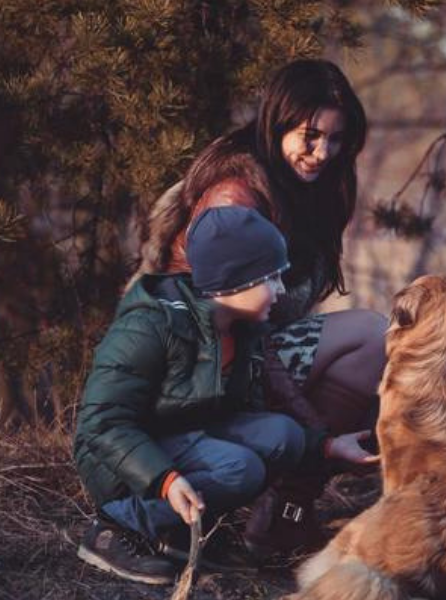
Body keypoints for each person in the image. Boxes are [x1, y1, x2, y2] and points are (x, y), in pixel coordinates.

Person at [131, 59, 386, 555]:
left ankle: (285, 513)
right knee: (371, 337)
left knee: (377, 343)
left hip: (251, 351)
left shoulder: (312, 186)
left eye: (335, 140)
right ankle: (278, 507)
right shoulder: (236, 195)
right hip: (200, 367)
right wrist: (315, 430)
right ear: (277, 122)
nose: (322, 153)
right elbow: (227, 332)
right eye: (309, 135)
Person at [74, 206, 377, 585]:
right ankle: (115, 528)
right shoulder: (150, 325)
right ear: (233, 282)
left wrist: (328, 446)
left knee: (284, 436)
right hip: (120, 465)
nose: (281, 290)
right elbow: (101, 423)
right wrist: (165, 480)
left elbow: (248, 416)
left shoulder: (239, 327)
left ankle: (181, 535)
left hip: (180, 439)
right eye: (272, 278)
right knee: (240, 468)